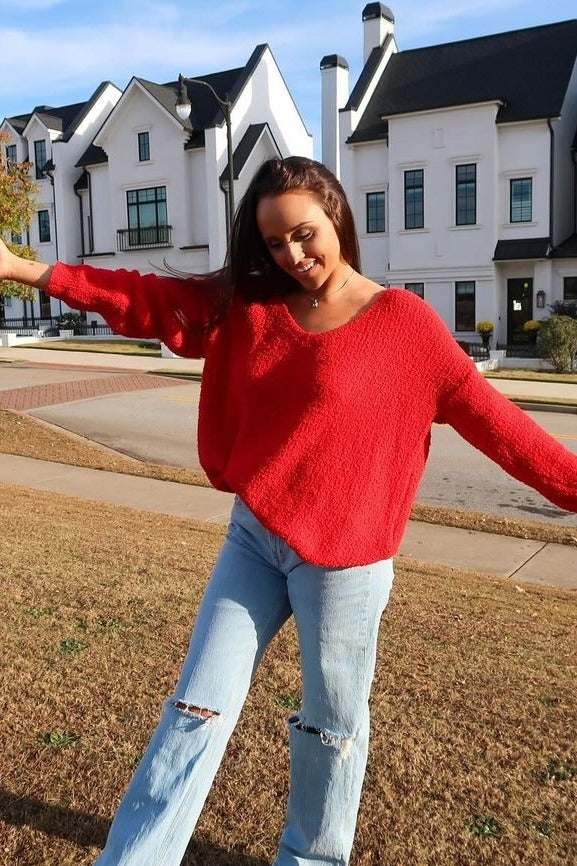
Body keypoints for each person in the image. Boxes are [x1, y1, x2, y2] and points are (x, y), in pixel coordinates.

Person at [1, 156, 577, 866]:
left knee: (330, 730)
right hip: (255, 538)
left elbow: (506, 432)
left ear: (337, 217)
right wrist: (23, 269)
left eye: (304, 234)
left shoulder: (407, 326)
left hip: (344, 564)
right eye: (274, 243)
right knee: (193, 710)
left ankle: (309, 859)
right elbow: (148, 298)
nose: (293, 256)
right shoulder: (251, 305)